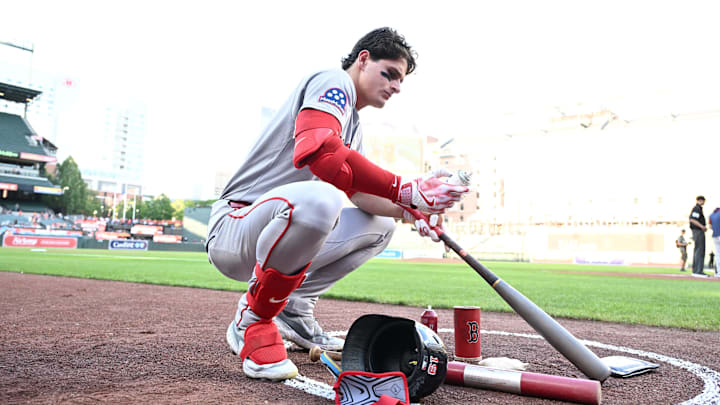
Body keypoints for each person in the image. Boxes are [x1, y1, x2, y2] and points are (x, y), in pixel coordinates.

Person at [205, 27, 469, 382]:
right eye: (389, 73)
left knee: (380, 226)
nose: (396, 86)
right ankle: (252, 319)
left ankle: (295, 308)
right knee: (321, 201)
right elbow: (318, 151)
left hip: (282, 228)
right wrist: (405, 189)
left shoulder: (353, 126)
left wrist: (411, 211)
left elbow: (360, 195)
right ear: (363, 60)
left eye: (401, 81)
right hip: (237, 225)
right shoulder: (332, 81)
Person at [689, 196, 707, 276]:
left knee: (698, 250)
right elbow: (692, 219)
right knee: (700, 250)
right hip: (698, 231)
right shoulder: (697, 208)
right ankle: (698, 270)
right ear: (700, 200)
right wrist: (702, 226)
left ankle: (696, 269)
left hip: (697, 231)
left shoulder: (698, 208)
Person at [709, 207, 720, 277]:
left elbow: (710, 226)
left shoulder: (711, 215)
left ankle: (718, 272)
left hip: (715, 235)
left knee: (718, 255)